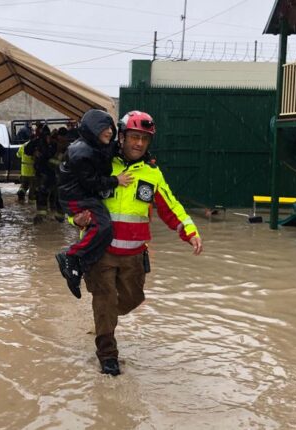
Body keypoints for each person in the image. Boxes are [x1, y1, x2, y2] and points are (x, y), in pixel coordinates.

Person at [72, 110, 203, 376]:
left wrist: (189, 229)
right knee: (105, 299)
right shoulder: (101, 165)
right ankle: (107, 353)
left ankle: (103, 320)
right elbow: (72, 197)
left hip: (133, 255)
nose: (139, 144)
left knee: (133, 298)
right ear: (121, 136)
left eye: (145, 138)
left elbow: (170, 206)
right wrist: (74, 219)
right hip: (100, 252)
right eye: (134, 136)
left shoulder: (152, 173)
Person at [55, 109, 133, 298]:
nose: (109, 132)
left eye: (111, 128)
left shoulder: (96, 144)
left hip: (83, 195)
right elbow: (92, 182)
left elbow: (109, 149)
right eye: (104, 128)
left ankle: (79, 264)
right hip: (76, 197)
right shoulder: (82, 152)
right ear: (93, 129)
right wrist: (116, 180)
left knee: (105, 229)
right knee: (103, 226)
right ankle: (72, 256)